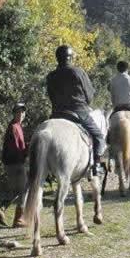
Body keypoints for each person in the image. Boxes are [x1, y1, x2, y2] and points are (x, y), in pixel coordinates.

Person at [46, 45, 106, 176]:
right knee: (99, 137)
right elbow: (89, 95)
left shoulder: (51, 76)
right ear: (70, 57)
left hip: (56, 114)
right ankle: (96, 165)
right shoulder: (78, 72)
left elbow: (50, 96)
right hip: (79, 112)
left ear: (57, 58)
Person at [0, 103, 29, 228]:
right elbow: (16, 149)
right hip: (15, 163)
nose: (21, 114)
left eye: (23, 112)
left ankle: (1, 209)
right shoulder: (14, 127)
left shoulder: (17, 126)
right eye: (18, 112)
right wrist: (25, 155)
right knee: (24, 190)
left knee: (16, 191)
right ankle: (19, 220)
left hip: (12, 162)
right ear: (14, 113)